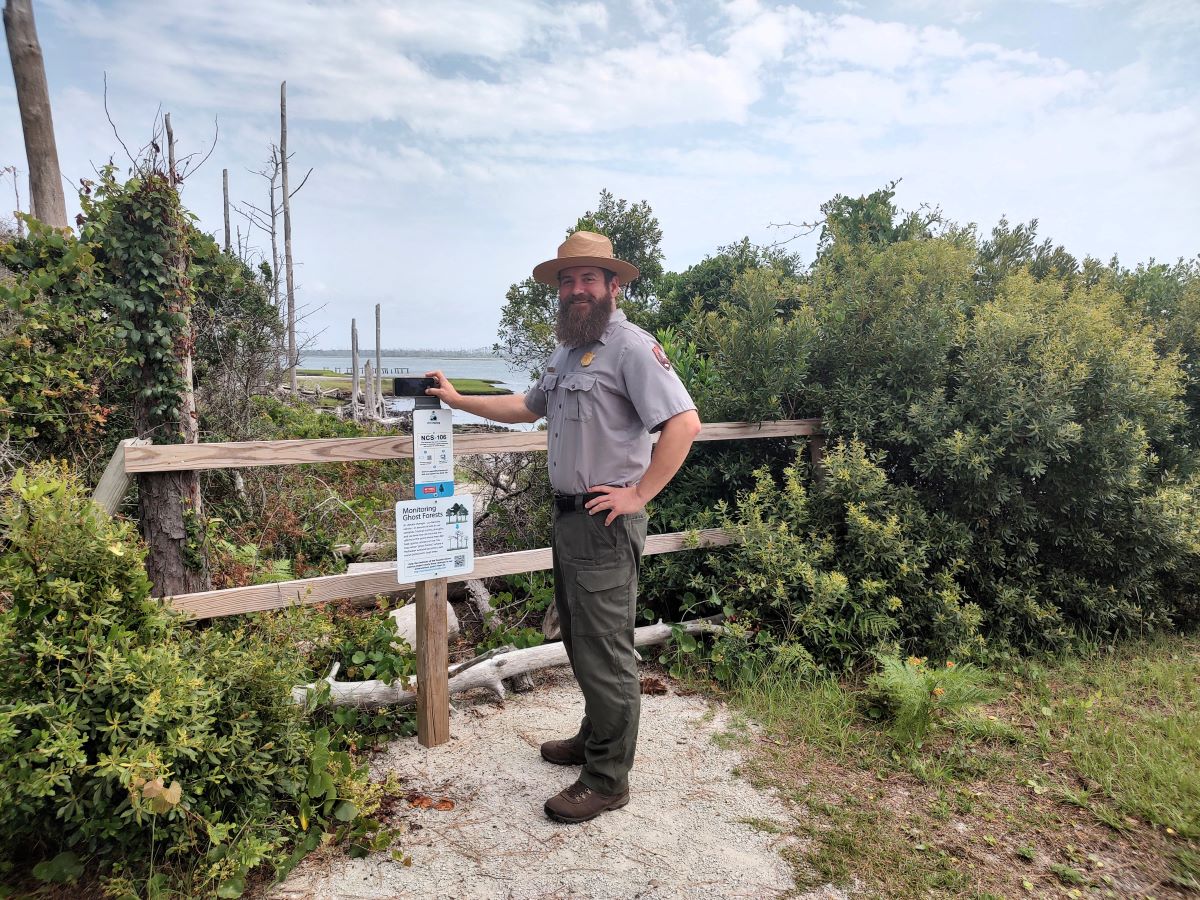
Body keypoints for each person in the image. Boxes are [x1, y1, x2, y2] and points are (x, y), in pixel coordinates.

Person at [426, 230, 701, 824]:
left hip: (605, 523)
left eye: (588, 278)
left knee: (606, 650)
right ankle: (594, 736)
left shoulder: (631, 348)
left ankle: (607, 778)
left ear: (613, 285)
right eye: (567, 280)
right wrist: (453, 398)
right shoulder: (567, 351)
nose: (576, 289)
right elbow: (526, 407)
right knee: (580, 640)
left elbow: (684, 424)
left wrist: (638, 494)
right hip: (570, 521)